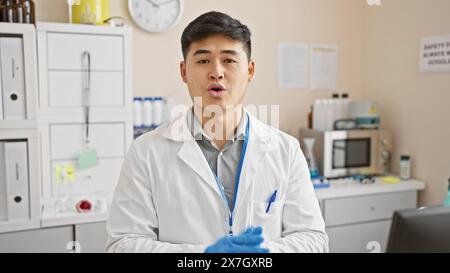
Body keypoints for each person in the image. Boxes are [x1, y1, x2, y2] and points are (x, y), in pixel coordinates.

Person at [106, 11, 328, 253]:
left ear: (250, 70)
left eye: (229, 60)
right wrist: (203, 255)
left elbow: (313, 239)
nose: (216, 72)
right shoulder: (146, 152)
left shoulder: (286, 150)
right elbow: (122, 245)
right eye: (203, 61)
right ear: (184, 71)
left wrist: (262, 254)